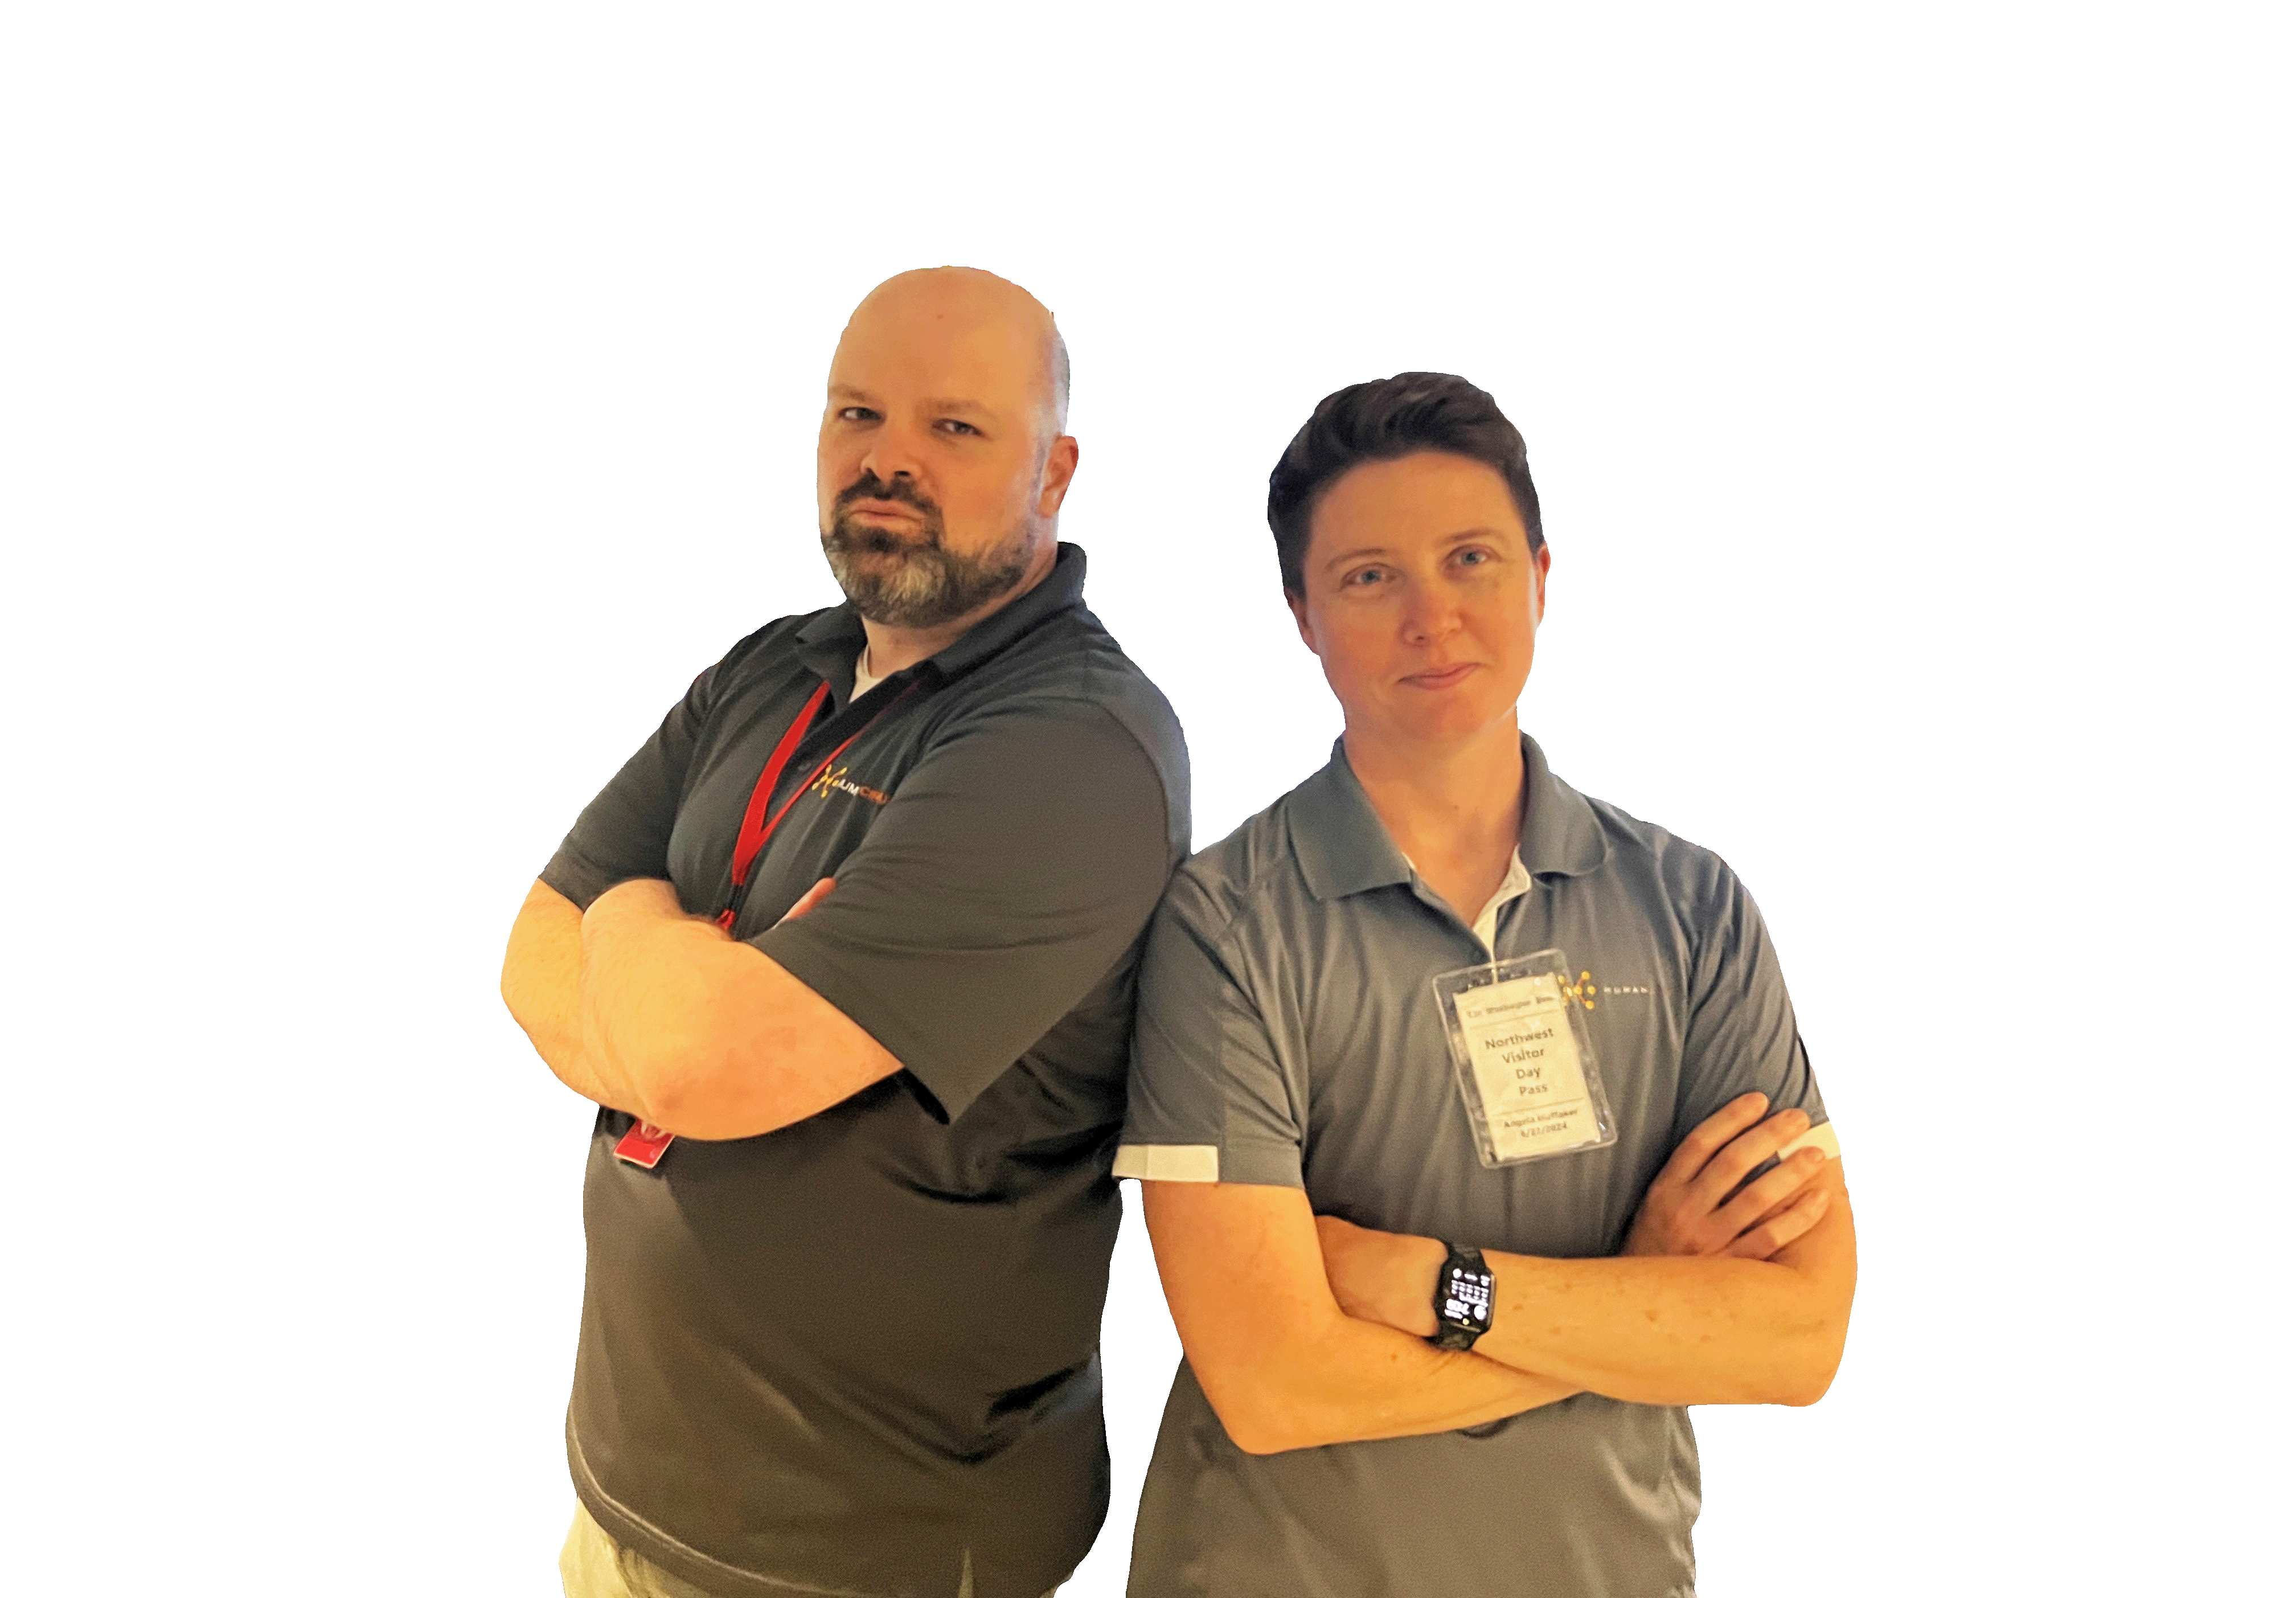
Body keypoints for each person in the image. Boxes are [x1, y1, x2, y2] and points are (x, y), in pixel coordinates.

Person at [499, 267, 1190, 1598]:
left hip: (874, 1549)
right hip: (634, 1498)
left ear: (1055, 472)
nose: (888, 459)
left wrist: (634, 922)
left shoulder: (1072, 747)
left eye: (955, 426)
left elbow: (710, 1067)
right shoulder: (773, 668)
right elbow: (531, 954)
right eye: (856, 413)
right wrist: (687, 967)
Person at [1114, 372, 1855, 1595]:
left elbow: (1797, 1336)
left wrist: (1433, 1288)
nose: (1434, 617)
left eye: (1471, 559)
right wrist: (1640, 1297)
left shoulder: (1693, 909)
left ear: (1543, 577)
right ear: (1301, 614)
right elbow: (1275, 1385)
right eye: (1371, 577)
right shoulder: (1226, 924)